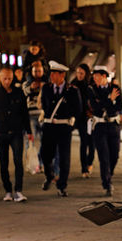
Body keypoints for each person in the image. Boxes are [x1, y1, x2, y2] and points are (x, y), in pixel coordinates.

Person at [0, 68, 33, 202]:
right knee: (3, 163)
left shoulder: (19, 93)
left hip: (16, 132)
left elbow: (25, 113)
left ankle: (18, 190)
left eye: (9, 78)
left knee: (18, 161)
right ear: (0, 78)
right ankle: (7, 190)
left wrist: (29, 131)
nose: (7, 81)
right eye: (5, 78)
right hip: (1, 133)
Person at [40, 60, 82, 197]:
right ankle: (49, 175)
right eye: (51, 74)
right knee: (46, 155)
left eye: (54, 74)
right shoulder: (46, 88)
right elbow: (45, 107)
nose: (51, 77)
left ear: (62, 75)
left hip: (64, 127)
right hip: (49, 126)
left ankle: (62, 185)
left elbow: (78, 110)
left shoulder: (72, 90)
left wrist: (71, 126)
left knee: (64, 158)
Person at [88, 67, 122, 196]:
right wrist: (109, 100)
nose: (95, 79)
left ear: (104, 76)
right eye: (94, 77)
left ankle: (109, 173)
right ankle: (107, 183)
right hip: (100, 126)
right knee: (104, 157)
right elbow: (95, 107)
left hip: (113, 125)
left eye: (97, 77)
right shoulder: (91, 90)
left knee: (115, 155)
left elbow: (118, 106)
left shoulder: (115, 89)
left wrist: (105, 102)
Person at [71, 63, 95, 178]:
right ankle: (83, 168)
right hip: (80, 118)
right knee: (84, 142)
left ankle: (90, 162)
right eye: (78, 73)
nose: (79, 75)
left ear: (86, 73)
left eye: (81, 73)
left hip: (91, 117)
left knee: (92, 142)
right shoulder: (73, 84)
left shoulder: (91, 84)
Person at [23, 65, 46, 173]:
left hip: (42, 116)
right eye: (35, 71)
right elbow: (24, 93)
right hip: (30, 116)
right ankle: (30, 163)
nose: (37, 73)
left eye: (39, 71)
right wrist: (31, 88)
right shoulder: (26, 83)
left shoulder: (46, 83)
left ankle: (40, 163)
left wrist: (43, 88)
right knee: (29, 140)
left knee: (44, 141)